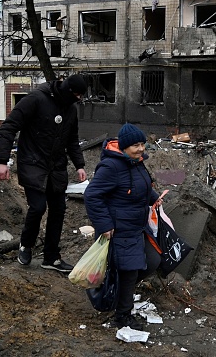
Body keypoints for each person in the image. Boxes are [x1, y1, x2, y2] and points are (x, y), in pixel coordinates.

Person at [0, 74, 88, 273]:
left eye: (81, 95)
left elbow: (72, 139)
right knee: (37, 207)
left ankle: (51, 257)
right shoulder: (35, 99)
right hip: (33, 163)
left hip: (56, 168)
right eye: (77, 94)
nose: (79, 98)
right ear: (67, 89)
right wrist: (1, 161)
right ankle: (26, 245)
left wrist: (79, 164)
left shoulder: (70, 109)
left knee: (58, 210)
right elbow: (9, 127)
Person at [84, 123, 163, 330]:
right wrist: (104, 225)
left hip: (136, 226)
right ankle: (122, 316)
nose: (141, 149)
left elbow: (140, 185)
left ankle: (118, 293)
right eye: (136, 145)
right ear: (124, 146)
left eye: (142, 144)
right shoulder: (111, 167)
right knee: (129, 272)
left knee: (153, 260)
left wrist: (153, 198)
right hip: (118, 230)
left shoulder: (136, 162)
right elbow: (92, 196)